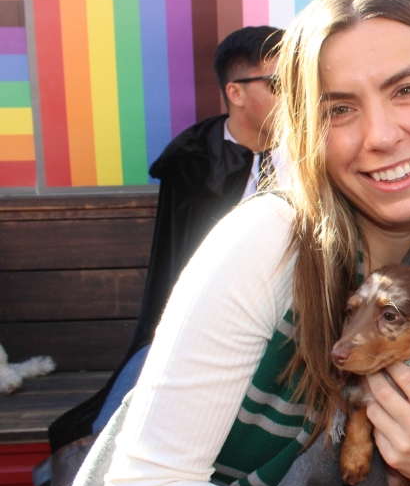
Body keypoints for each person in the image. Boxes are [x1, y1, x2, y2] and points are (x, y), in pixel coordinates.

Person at [53, 0, 410, 486]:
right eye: (339, 109)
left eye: (407, 91)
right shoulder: (269, 242)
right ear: (307, 128)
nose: (381, 135)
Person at [47, 26, 286, 448]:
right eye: (279, 84)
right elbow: (179, 267)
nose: (295, 96)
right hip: (202, 314)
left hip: (287, 314)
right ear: (236, 92)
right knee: (121, 420)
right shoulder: (195, 161)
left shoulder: (312, 153)